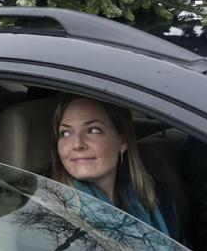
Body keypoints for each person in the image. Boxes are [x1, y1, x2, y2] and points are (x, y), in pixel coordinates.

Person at [50, 95, 182, 240]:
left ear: (123, 141)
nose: (77, 144)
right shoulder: (50, 215)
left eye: (93, 130)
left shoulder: (157, 197)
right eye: (66, 133)